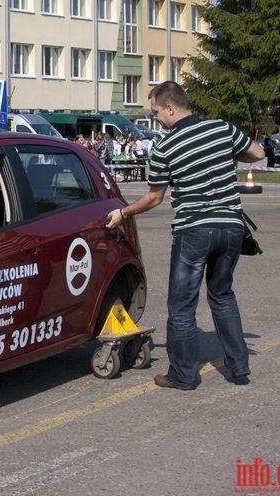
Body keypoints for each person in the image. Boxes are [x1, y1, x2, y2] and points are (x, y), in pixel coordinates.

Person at [105, 81, 264, 391]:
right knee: (222, 295)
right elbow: (256, 153)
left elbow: (154, 198)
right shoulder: (222, 128)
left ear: (170, 107)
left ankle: (184, 375)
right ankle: (238, 364)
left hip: (194, 230)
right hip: (231, 227)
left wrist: (123, 213)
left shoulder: (165, 146)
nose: (156, 120)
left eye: (155, 113)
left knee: (181, 305)